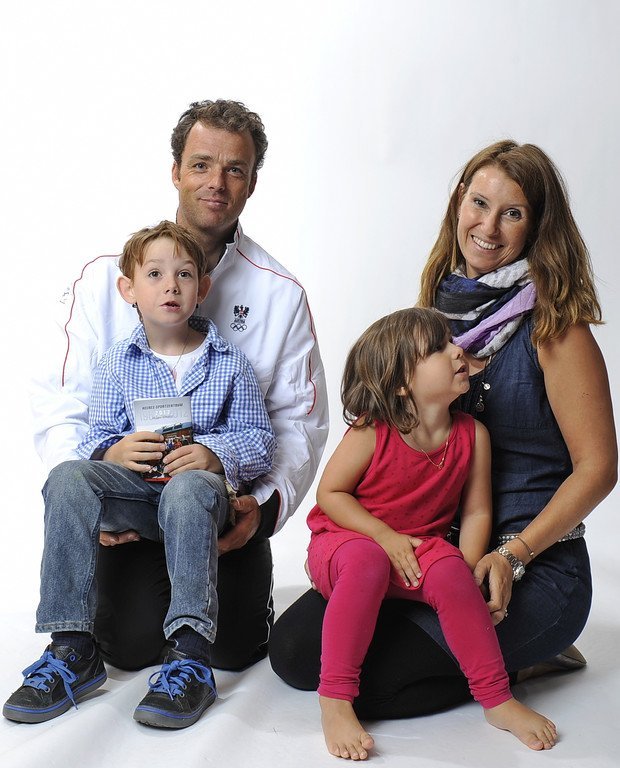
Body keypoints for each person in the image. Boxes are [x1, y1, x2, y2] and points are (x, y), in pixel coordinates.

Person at [270, 140, 617, 720]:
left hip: (530, 562)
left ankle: (532, 652)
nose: (489, 226)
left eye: (512, 213)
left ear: (537, 227)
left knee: (369, 685)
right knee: (296, 653)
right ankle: (499, 654)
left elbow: (599, 469)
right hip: (434, 551)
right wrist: (369, 540)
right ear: (459, 201)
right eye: (479, 203)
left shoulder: (557, 329)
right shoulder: (437, 314)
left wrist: (513, 556)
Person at [30, 100, 328, 672]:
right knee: (128, 649)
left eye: (235, 169)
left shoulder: (280, 294)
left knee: (232, 651)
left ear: (252, 183)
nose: (217, 182)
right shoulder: (104, 280)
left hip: (221, 508)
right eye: (201, 164)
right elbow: (63, 401)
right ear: (175, 171)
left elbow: (298, 423)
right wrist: (95, 491)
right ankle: (72, 648)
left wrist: (262, 510)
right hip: (132, 504)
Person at [4, 221, 276, 728]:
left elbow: (259, 440)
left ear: (203, 287)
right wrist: (112, 451)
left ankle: (190, 658)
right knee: (68, 477)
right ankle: (72, 648)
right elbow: (95, 436)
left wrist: (214, 454)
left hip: (201, 501)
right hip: (139, 499)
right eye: (155, 274)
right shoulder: (116, 364)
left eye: (184, 274)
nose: (170, 285)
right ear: (128, 289)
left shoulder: (229, 364)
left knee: (190, 487)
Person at [308, 307, 557, 758]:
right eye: (438, 348)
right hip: (347, 544)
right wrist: (383, 536)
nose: (457, 350)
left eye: (451, 341)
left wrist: (466, 571)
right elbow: (331, 494)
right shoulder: (372, 430)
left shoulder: (472, 434)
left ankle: (496, 698)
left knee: (450, 570)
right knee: (367, 561)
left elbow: (477, 511)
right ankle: (336, 699)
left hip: (415, 550)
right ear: (402, 384)